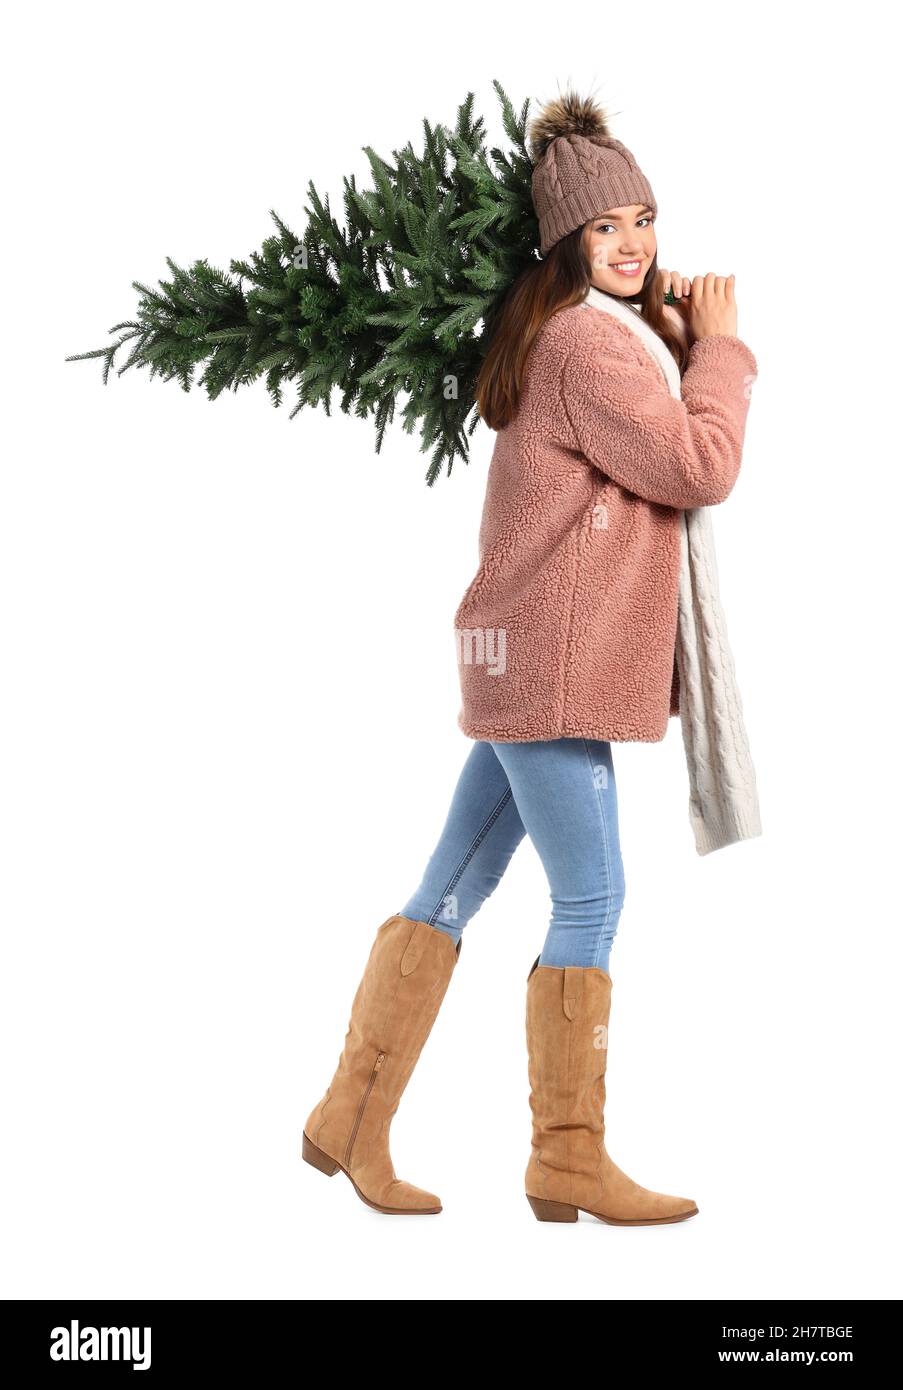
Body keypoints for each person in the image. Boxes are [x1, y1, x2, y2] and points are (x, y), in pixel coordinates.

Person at [302, 91, 757, 1224]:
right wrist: (728, 350)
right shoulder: (586, 350)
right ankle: (567, 1156)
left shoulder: (574, 338)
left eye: (646, 219)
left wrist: (683, 340)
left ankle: (346, 1118)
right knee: (592, 896)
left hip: (519, 659)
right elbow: (700, 464)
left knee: (455, 882)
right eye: (607, 227)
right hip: (551, 667)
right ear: (564, 242)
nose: (636, 242)